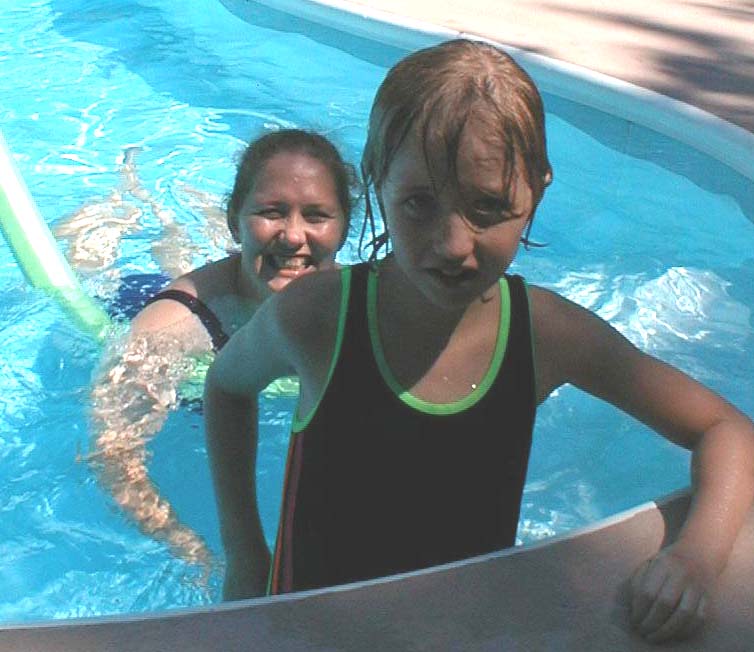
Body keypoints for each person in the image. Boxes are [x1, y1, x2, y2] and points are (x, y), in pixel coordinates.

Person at [204, 40, 754, 644]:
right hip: (308, 630)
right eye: (418, 204)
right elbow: (226, 387)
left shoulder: (545, 334)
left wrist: (697, 557)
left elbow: (726, 431)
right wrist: (244, 551)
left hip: (466, 633)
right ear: (377, 182)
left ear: (536, 194)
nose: (452, 245)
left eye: (488, 207)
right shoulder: (319, 315)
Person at [88, 129, 357, 570]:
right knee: (97, 259)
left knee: (182, 248)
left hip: (238, 285)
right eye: (272, 213)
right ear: (235, 220)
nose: (294, 235)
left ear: (344, 226)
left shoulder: (363, 303)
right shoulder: (174, 326)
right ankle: (116, 204)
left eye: (316, 216)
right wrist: (188, 547)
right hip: (140, 298)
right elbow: (113, 454)